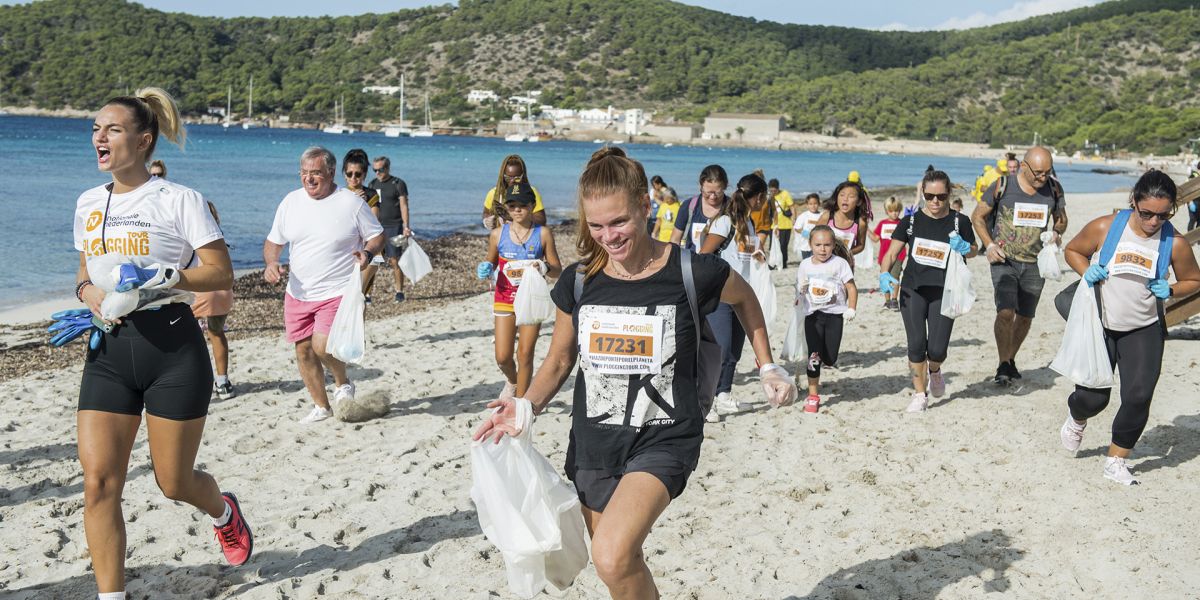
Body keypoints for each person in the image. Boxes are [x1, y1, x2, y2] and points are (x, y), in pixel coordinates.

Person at [472, 146, 796, 600]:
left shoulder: (691, 271)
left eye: (619, 221)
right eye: (597, 225)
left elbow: (745, 299)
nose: (609, 236)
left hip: (664, 436)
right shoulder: (580, 281)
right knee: (621, 566)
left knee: (610, 554)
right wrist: (525, 405)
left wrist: (768, 366)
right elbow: (559, 361)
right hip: (596, 443)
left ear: (645, 206)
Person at [66, 87, 251, 600]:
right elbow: (84, 271)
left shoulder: (179, 199)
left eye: (113, 129)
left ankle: (223, 511)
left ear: (144, 140)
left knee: (173, 483)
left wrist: (169, 274)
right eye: (96, 129)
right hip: (108, 351)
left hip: (171, 350)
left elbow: (222, 273)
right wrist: (89, 294)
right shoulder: (88, 202)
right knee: (100, 484)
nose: (100, 137)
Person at [1060, 170, 1200, 485]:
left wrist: (1173, 290)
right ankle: (1076, 416)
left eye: (1163, 215)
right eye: (1146, 213)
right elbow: (1072, 250)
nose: (1153, 222)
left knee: (1138, 396)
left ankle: (1116, 460)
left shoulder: (1174, 242)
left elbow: (1195, 280)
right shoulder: (1106, 227)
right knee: (1093, 398)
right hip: (1101, 324)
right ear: (1133, 201)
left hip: (1144, 327)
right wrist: (1088, 270)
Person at [264, 147, 384, 423]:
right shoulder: (290, 202)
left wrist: (366, 253)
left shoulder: (351, 204)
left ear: (331, 173)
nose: (309, 179)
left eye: (315, 173)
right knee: (303, 350)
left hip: (337, 290)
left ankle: (343, 383)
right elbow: (274, 242)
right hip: (298, 291)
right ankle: (322, 406)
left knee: (322, 345)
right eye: (304, 173)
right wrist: (272, 263)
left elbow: (377, 236)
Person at [881, 169, 977, 412]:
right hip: (912, 289)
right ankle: (919, 394)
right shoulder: (911, 221)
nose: (935, 202)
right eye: (930, 196)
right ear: (922, 193)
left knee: (936, 350)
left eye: (941, 197)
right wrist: (884, 274)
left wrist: (966, 247)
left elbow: (974, 250)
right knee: (915, 344)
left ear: (949, 194)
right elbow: (892, 252)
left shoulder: (960, 221)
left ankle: (934, 370)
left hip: (945, 291)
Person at [971, 146, 1068, 385]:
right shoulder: (1003, 185)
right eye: (1038, 173)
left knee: (1025, 317)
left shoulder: (1054, 189)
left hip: (1036, 264)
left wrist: (1056, 232)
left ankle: (1009, 359)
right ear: (1023, 166)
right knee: (1005, 312)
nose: (1043, 178)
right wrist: (990, 245)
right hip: (1005, 260)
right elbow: (977, 216)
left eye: (1047, 172)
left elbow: (1062, 219)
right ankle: (1003, 364)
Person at [476, 180, 562, 398]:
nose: (517, 210)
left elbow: (557, 271)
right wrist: (486, 268)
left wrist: (543, 266)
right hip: (504, 296)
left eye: (522, 205)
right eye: (512, 206)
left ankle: (521, 403)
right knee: (503, 357)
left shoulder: (542, 234)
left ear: (532, 206)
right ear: (506, 207)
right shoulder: (497, 234)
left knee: (525, 354)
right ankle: (513, 382)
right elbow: (491, 262)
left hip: (531, 300)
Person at [795, 226, 857, 413]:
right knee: (814, 357)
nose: (822, 249)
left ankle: (824, 358)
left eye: (827, 245)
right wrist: (801, 291)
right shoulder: (805, 265)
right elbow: (799, 290)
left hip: (834, 315)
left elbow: (852, 288)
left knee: (830, 358)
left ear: (833, 245)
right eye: (818, 245)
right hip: (813, 315)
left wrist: (851, 308)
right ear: (810, 245)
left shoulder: (839, 264)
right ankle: (813, 396)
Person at [190, 201, 237, 399]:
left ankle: (196, 381)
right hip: (223, 292)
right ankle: (223, 382)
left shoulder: (190, 236)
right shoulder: (218, 237)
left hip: (202, 291)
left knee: (189, 339)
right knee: (216, 333)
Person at [342, 149, 384, 303]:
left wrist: (361, 202)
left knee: (359, 294)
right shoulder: (339, 194)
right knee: (346, 296)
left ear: (365, 175)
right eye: (349, 173)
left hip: (371, 250)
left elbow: (374, 225)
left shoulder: (371, 195)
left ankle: (359, 327)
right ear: (344, 174)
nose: (353, 178)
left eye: (358, 174)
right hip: (348, 251)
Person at [367, 156, 411, 302]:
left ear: (388, 168)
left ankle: (399, 291)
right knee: (373, 261)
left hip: (395, 226)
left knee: (394, 260)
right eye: (375, 170)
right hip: (377, 228)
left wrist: (406, 226)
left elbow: (404, 205)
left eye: (381, 169)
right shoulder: (372, 184)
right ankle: (367, 294)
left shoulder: (398, 183)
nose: (377, 173)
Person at [482, 154, 547, 229]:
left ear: (523, 175)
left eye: (517, 178)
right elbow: (486, 212)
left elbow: (542, 220)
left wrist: (515, 218)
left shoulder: (531, 192)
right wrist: (486, 220)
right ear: (502, 176)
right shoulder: (494, 193)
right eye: (508, 178)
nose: (512, 181)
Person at [816, 180, 869, 268]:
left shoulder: (861, 222)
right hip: (823, 263)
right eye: (842, 195)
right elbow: (813, 237)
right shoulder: (827, 217)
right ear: (837, 198)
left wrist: (846, 253)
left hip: (846, 265)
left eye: (851, 196)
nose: (845, 199)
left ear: (859, 201)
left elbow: (861, 245)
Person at [869, 196, 905, 310]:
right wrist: (865, 229)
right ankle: (887, 301)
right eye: (891, 211)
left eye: (897, 210)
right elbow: (875, 238)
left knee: (895, 277)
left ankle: (894, 300)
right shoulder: (882, 223)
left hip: (899, 256)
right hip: (883, 257)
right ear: (886, 211)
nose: (894, 213)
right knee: (885, 278)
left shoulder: (902, 223)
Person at [769, 178, 795, 268]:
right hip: (773, 225)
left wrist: (794, 219)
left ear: (778, 188)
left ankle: (783, 263)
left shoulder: (785, 194)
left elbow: (792, 207)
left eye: (774, 190)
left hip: (785, 225)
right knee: (772, 246)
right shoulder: (770, 197)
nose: (773, 192)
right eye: (771, 190)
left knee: (783, 245)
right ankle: (773, 263)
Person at [792, 193, 823, 260]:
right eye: (810, 204)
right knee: (807, 263)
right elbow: (797, 228)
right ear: (807, 205)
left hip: (819, 245)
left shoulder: (822, 215)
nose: (813, 206)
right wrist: (807, 234)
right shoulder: (804, 215)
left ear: (819, 204)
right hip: (805, 245)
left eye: (815, 203)